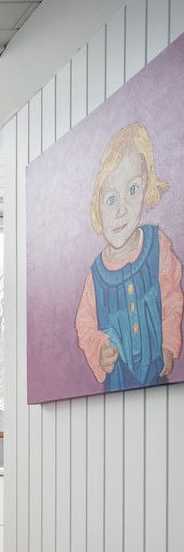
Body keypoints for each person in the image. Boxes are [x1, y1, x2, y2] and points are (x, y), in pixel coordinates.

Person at [74, 122, 183, 392]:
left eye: (132, 190)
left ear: (146, 189)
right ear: (97, 207)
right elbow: (84, 323)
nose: (121, 209)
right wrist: (100, 349)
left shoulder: (158, 245)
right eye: (111, 199)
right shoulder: (96, 274)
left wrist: (169, 342)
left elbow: (172, 296)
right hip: (119, 381)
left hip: (158, 374)